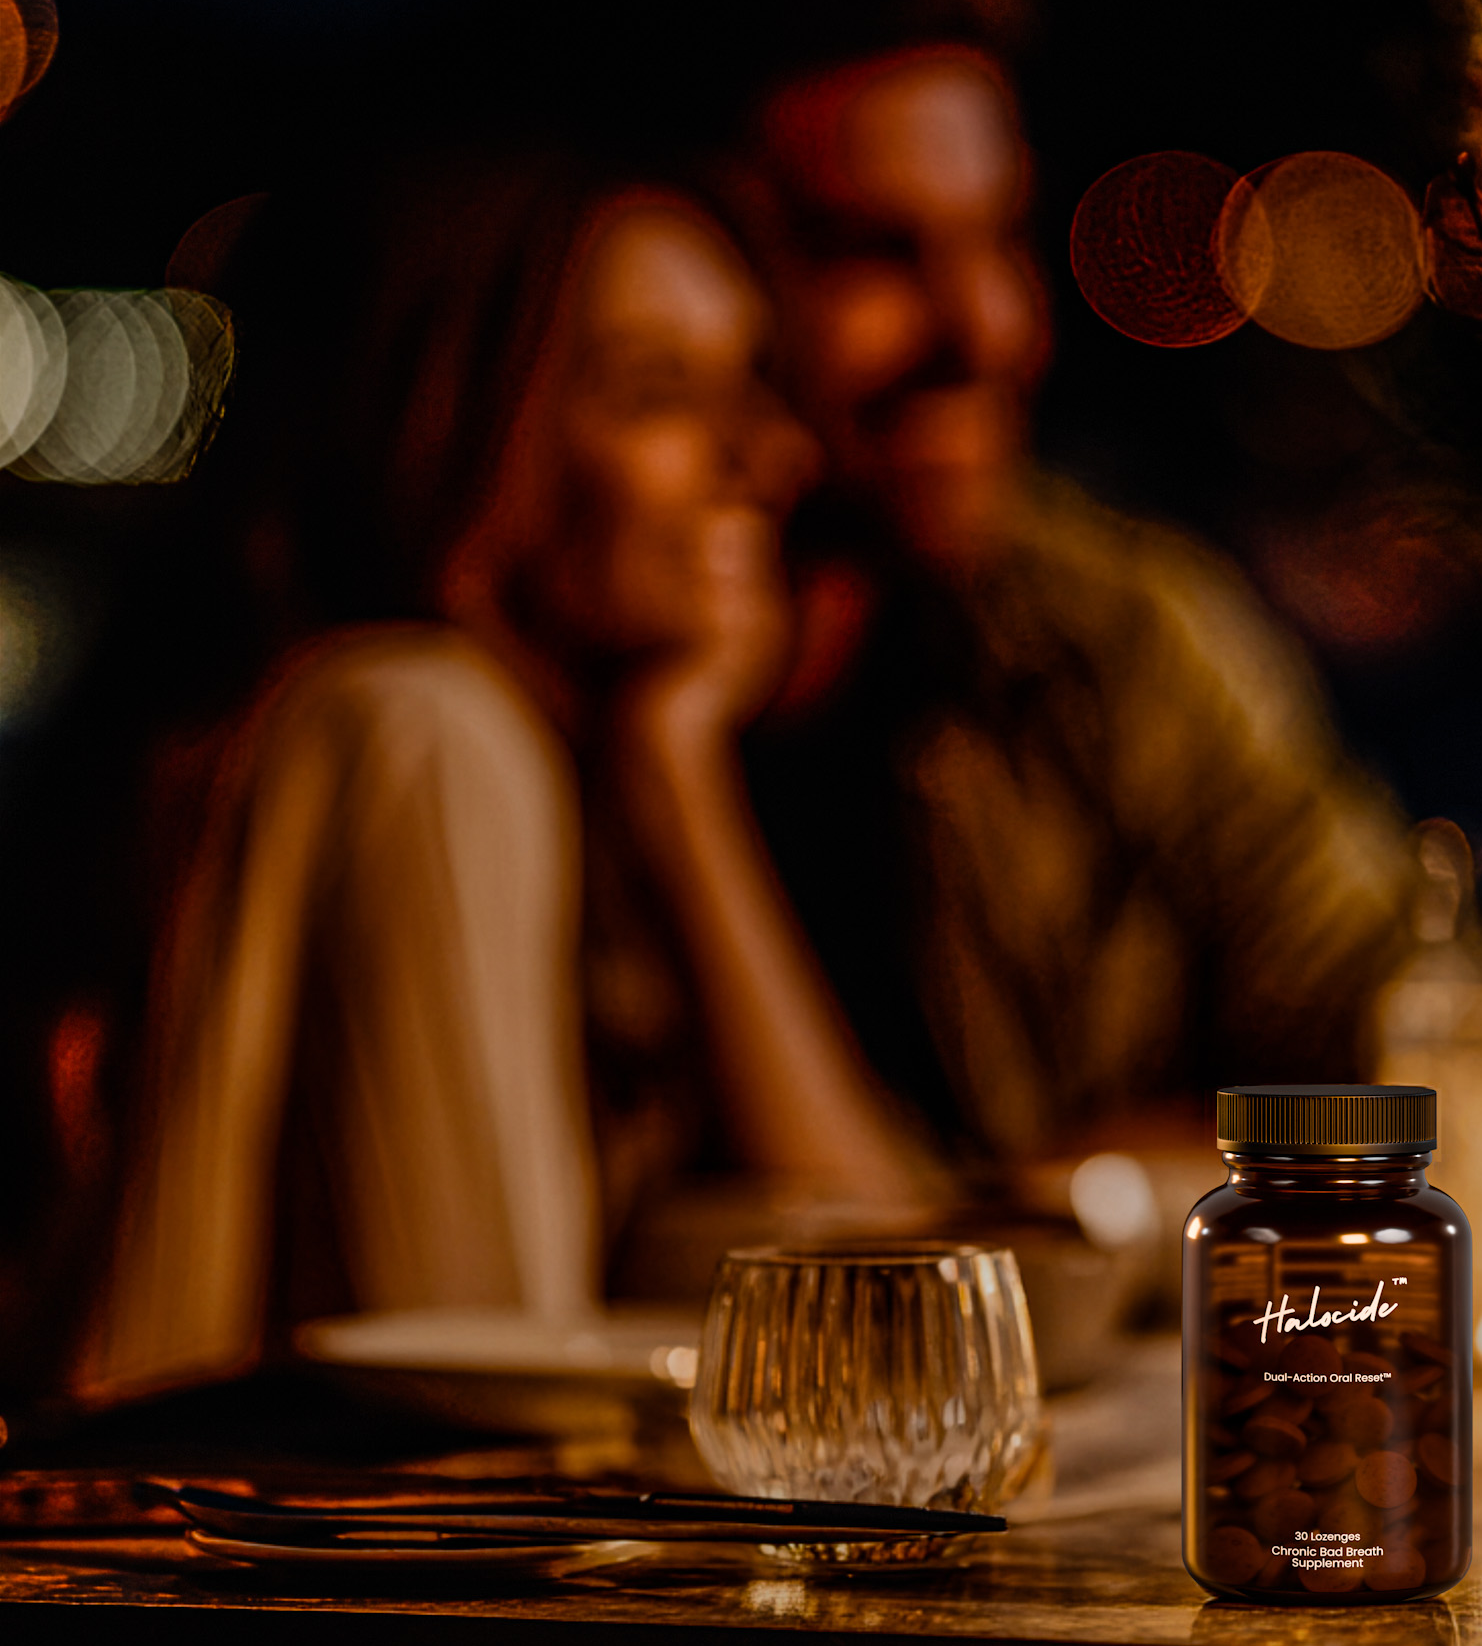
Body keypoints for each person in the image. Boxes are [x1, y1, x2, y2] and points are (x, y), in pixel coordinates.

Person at [481, 0, 1422, 1173]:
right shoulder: (492, 714)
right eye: (872, 251)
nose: (987, 328)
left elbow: (1433, 1054)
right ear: (661, 258)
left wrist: (1085, 1199)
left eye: (1002, 235)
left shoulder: (1106, 632)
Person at [73, 153, 927, 1402]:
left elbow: (902, 1278)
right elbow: (490, 1403)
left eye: (753, 384)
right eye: (659, 395)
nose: (770, 452)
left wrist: (675, 770)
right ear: (468, 429)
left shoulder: (574, 761)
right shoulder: (419, 730)